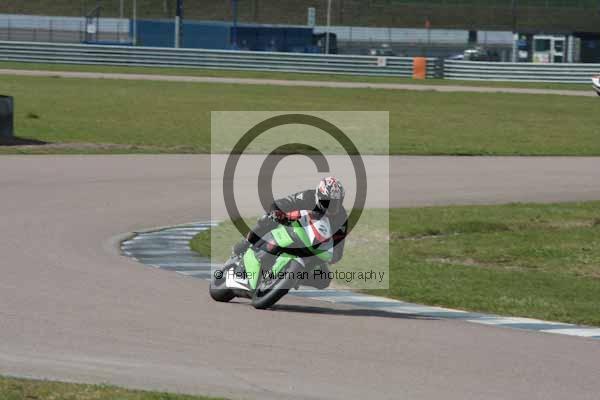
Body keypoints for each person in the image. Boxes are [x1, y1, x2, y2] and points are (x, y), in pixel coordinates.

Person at [232, 177, 348, 289]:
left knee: (324, 278)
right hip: (292, 227)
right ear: (319, 196)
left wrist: (333, 256)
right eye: (328, 202)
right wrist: (277, 212)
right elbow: (283, 203)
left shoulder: (341, 216)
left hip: (313, 246)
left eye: (336, 203)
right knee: (267, 219)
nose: (332, 206)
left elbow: (339, 246)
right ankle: (246, 243)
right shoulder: (307, 196)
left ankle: (293, 278)